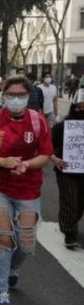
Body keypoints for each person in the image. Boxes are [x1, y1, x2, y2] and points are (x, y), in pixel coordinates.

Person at [0, 75, 53, 305]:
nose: (16, 99)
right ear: (3, 96)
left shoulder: (38, 121)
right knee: (4, 237)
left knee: (26, 243)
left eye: (21, 95)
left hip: (28, 189)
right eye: (11, 95)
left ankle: (11, 269)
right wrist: (2, 162)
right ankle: (1, 293)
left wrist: (26, 166)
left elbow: (46, 155)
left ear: (28, 97)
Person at [50, 89, 84, 248]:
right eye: (79, 107)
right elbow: (47, 146)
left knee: (80, 202)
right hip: (66, 169)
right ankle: (70, 233)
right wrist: (55, 158)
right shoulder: (61, 127)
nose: (82, 111)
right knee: (70, 200)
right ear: (73, 108)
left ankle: (72, 221)